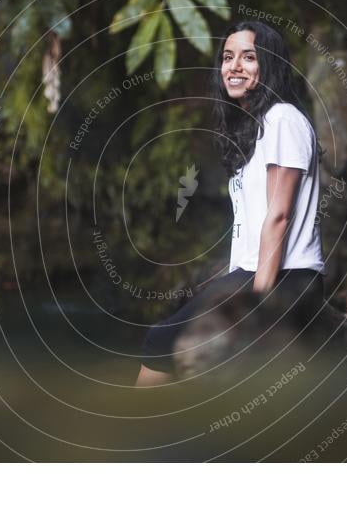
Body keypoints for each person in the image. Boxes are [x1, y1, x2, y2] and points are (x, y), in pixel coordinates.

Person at [134, 20, 326, 387]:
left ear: (268, 65)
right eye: (227, 57)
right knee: (174, 343)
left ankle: (134, 436)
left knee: (159, 341)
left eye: (248, 57)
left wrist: (259, 305)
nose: (234, 66)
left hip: (286, 277)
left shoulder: (282, 119)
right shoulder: (254, 127)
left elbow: (279, 216)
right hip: (252, 272)